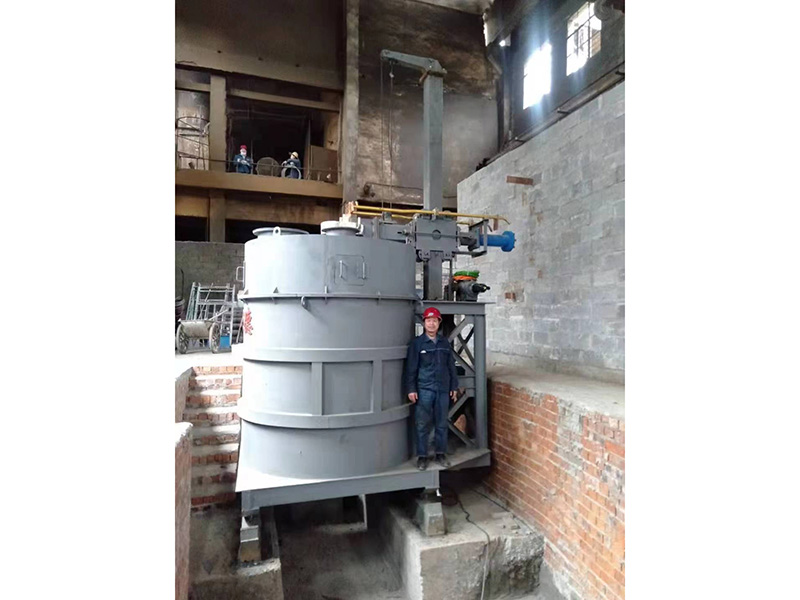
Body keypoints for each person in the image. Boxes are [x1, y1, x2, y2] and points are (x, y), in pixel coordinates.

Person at [404, 307, 460, 471]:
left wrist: (454, 386)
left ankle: (440, 454)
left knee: (441, 423)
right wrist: (411, 389)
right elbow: (411, 368)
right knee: (422, 423)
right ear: (424, 323)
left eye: (434, 321)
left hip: (443, 389)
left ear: (438, 323)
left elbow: (451, 366)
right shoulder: (417, 344)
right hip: (424, 389)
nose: (431, 324)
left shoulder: (444, 343)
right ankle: (422, 456)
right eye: (428, 321)